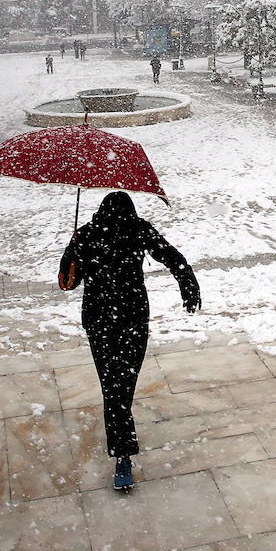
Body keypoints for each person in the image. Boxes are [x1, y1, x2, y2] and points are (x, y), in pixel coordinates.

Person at [58, 192, 199, 491]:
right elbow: (172, 256)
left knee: (115, 386)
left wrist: (73, 253)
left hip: (106, 319)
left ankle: (121, 439)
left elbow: (67, 283)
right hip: (126, 317)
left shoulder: (90, 233)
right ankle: (123, 453)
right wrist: (189, 285)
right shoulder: (131, 229)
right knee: (120, 385)